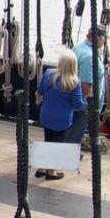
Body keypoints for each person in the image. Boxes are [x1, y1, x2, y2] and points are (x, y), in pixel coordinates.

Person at [35, 51, 85, 180]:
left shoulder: (48, 74)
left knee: (47, 140)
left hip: (46, 115)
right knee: (57, 144)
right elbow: (77, 104)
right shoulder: (74, 82)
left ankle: (41, 168)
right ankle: (51, 172)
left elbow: (40, 91)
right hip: (62, 119)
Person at [65, 25, 108, 144]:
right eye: (104, 39)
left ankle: (69, 154)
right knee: (74, 136)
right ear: (100, 39)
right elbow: (85, 85)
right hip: (83, 107)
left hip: (73, 101)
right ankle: (70, 157)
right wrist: (89, 106)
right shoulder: (89, 57)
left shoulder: (78, 48)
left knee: (70, 134)